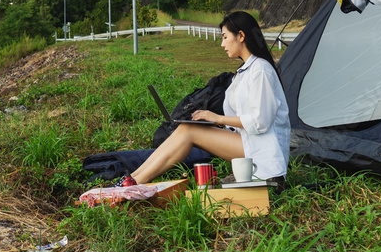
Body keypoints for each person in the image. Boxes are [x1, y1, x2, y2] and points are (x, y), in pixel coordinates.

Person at [115, 11, 291, 187]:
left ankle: (134, 182)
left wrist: (218, 118)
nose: (222, 44)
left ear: (241, 36)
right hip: (250, 144)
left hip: (264, 151)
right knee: (186, 128)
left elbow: (261, 122)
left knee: (188, 132)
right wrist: (216, 125)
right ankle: (132, 179)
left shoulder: (260, 70)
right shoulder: (245, 71)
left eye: (224, 37)